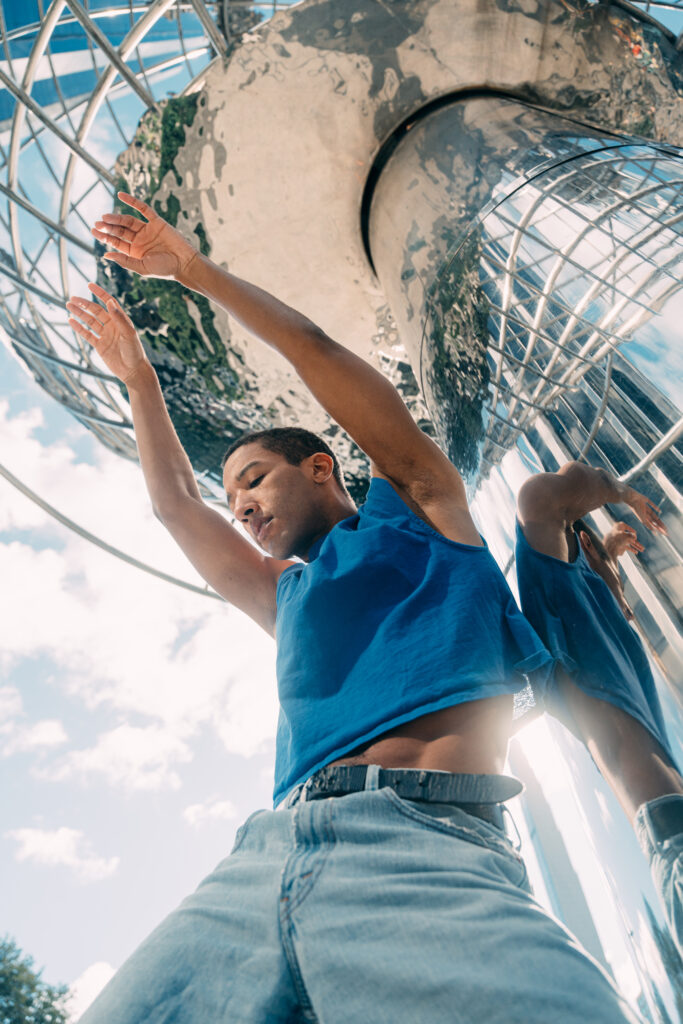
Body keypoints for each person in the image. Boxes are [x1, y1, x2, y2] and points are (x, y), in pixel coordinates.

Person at [65, 192, 641, 1023]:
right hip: (260, 864)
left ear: (322, 467)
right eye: (233, 501)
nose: (242, 508)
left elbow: (312, 349)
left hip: (430, 847)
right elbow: (173, 507)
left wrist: (192, 270)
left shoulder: (423, 508)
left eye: (254, 480)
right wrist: (138, 378)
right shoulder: (283, 596)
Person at [516, 461, 683, 950]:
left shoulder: (588, 627)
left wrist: (607, 560)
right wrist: (626, 492)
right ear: (581, 544)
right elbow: (569, 482)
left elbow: (609, 599)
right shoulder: (552, 586)